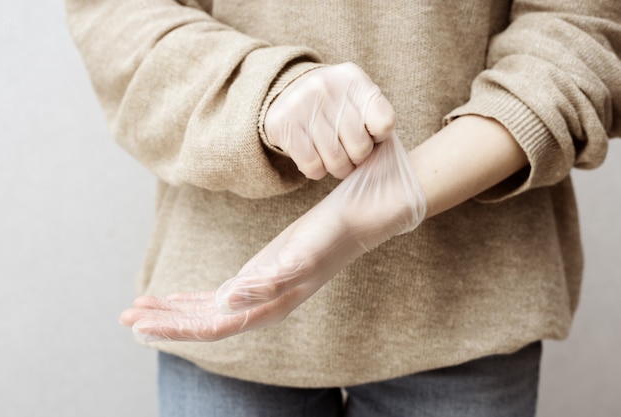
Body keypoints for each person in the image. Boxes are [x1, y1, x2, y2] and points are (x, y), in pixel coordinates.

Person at [66, 1, 621, 416]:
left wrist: (392, 197)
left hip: (468, 310)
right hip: (226, 312)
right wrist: (267, 95)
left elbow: (579, 32)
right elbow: (121, 17)